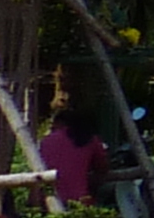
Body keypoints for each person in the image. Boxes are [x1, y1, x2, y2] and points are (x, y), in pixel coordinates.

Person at [36, 77, 105, 210]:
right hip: (79, 199)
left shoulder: (47, 141)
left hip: (47, 200)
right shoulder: (89, 139)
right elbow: (102, 168)